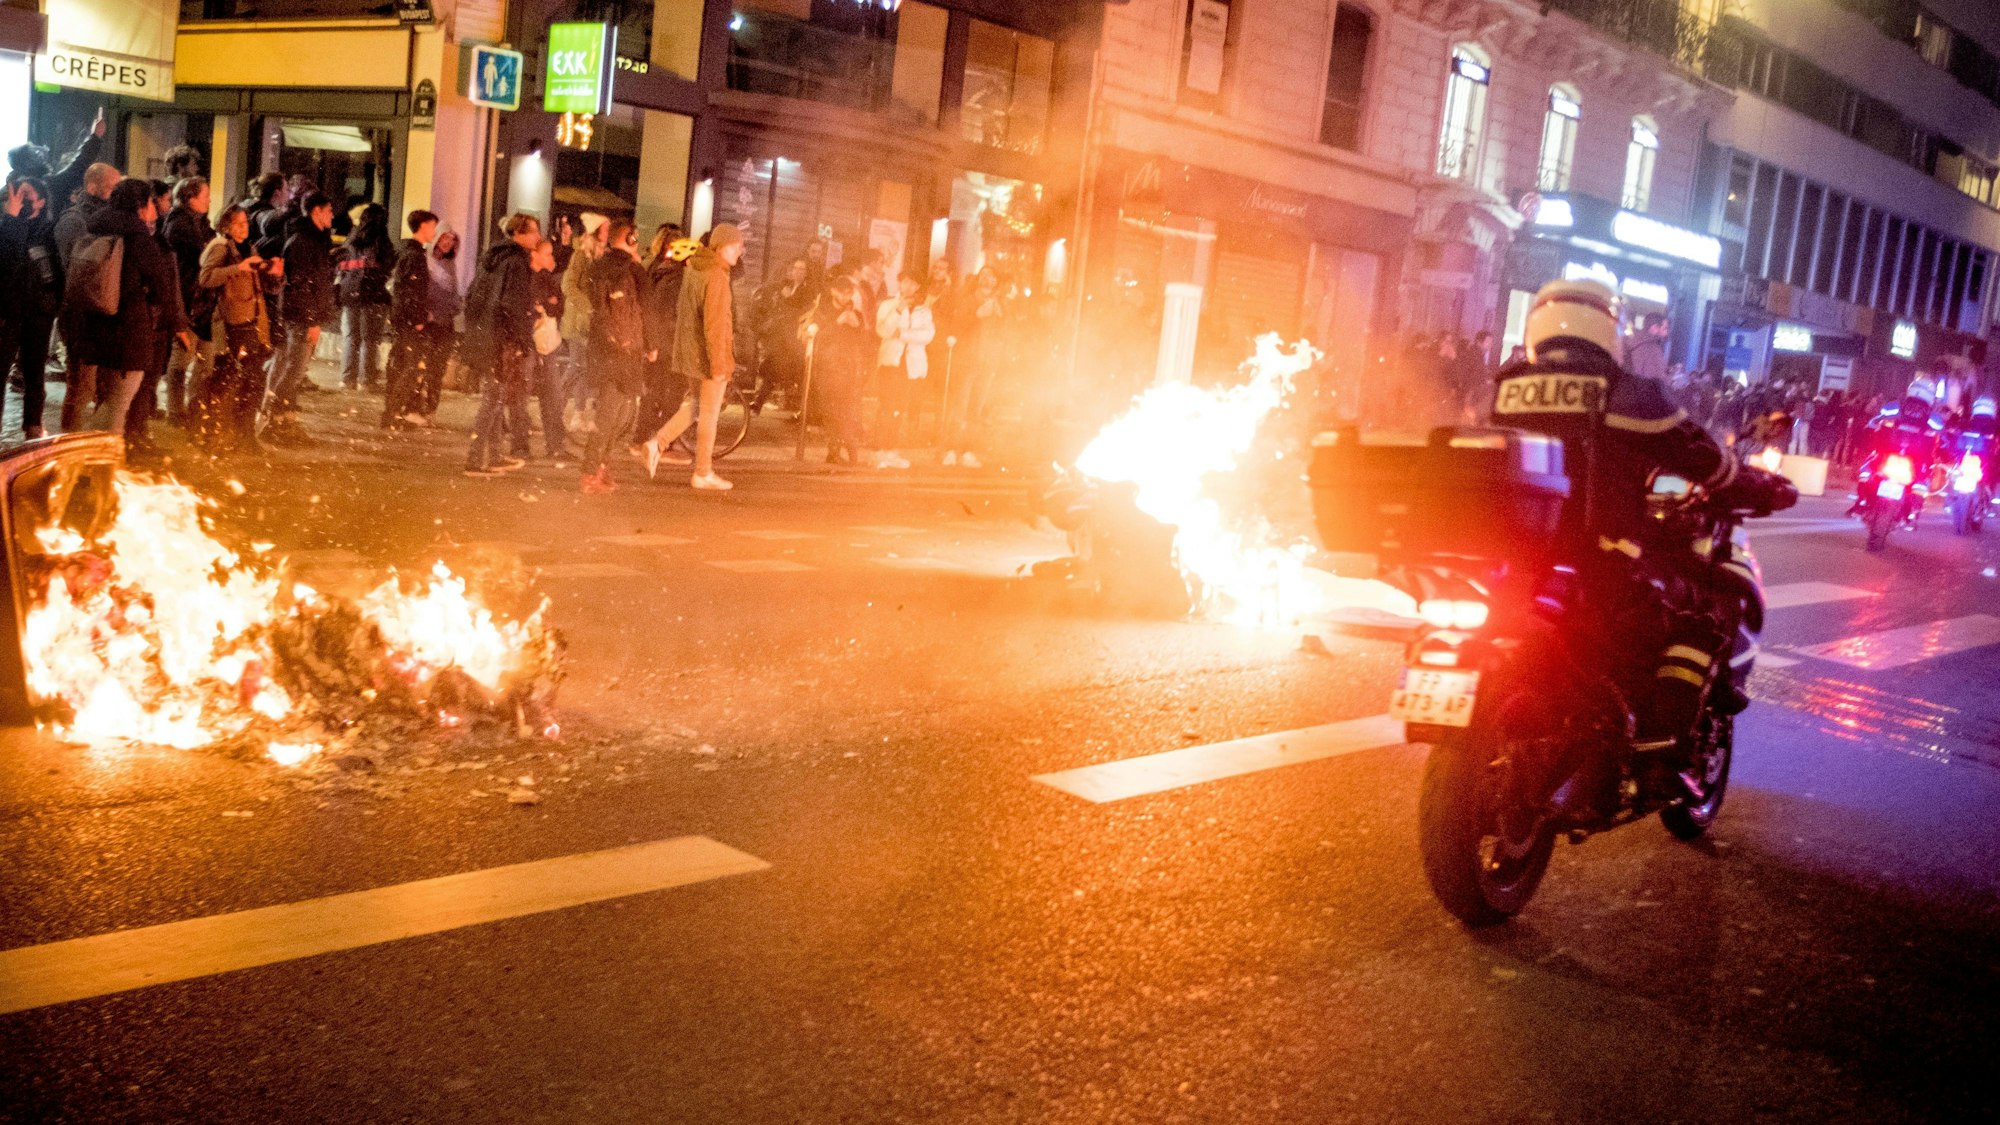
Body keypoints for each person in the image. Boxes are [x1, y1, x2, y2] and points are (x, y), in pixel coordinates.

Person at [1488, 279, 1758, 760]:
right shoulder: (1629, 394)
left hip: (1518, 555)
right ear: (1608, 330)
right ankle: (1661, 743)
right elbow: (1697, 453)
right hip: (1602, 558)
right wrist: (1752, 483)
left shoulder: (1506, 387)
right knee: (1699, 613)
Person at [70, 179, 191, 439]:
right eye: (151, 203)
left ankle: (100, 464)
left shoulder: (97, 227)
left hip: (96, 328)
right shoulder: (138, 239)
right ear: (141, 205)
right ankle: (84, 461)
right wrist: (175, 324)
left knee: (107, 400)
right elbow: (163, 286)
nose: (155, 210)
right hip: (129, 333)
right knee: (117, 407)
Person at [643, 221, 745, 491]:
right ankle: (703, 472)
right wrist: (720, 363)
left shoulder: (695, 269)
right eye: (736, 246)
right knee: (709, 415)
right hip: (709, 356)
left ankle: (658, 443)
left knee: (697, 407)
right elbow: (714, 325)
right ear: (722, 247)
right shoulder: (716, 276)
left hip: (690, 353)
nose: (739, 251)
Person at [578, 220, 656, 493]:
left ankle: (599, 467)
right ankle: (592, 471)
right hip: (628, 348)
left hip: (603, 347)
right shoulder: (634, 270)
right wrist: (652, 345)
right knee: (617, 414)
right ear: (631, 239)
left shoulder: (597, 267)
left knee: (613, 412)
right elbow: (647, 309)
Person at [461, 212, 539, 477]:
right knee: (493, 399)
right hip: (502, 341)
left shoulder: (492, 259)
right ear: (519, 233)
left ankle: (493, 456)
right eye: (534, 231)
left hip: (486, 336)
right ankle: (474, 460)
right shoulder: (517, 262)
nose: (538, 237)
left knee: (495, 397)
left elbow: (473, 296)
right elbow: (513, 305)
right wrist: (520, 340)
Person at [191, 204, 272, 454]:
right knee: (231, 380)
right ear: (225, 225)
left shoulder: (247, 248)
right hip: (231, 324)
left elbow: (258, 286)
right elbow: (206, 278)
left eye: (246, 224)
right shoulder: (220, 247)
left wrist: (274, 274)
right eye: (237, 224)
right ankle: (216, 433)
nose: (243, 228)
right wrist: (240, 267)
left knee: (249, 380)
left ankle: (237, 434)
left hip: (249, 322)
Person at [52, 162, 120, 433]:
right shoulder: (74, 221)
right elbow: (76, 272)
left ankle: (93, 450)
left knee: (104, 387)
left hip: (101, 316)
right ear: (93, 186)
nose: (116, 193)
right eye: (112, 187)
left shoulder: (105, 218)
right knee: (81, 388)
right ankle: (69, 449)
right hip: (80, 316)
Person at [264, 191, 336, 444]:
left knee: (294, 369)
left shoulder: (314, 240)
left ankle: (286, 419)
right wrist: (311, 320)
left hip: (305, 315)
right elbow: (301, 285)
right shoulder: (302, 242)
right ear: (316, 211)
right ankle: (276, 420)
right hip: (301, 317)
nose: (332, 215)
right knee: (293, 370)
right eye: (328, 210)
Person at [1, 175, 62, 438]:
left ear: (41, 202)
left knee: (35, 371)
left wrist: (54, 303)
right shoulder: (5, 226)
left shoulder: (49, 233)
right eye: (18, 195)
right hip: (7, 313)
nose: (22, 201)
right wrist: (12, 221)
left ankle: (33, 425)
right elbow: (5, 261)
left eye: (28, 197)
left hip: (38, 312)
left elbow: (58, 271)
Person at [161, 175, 217, 427]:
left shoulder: (199, 223)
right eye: (204, 196)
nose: (208, 200)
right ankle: (175, 411)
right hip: (188, 301)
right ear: (190, 198)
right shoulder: (180, 225)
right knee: (181, 361)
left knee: (205, 361)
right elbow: (205, 255)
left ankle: (194, 407)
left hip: (203, 303)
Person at [803, 272, 872, 465]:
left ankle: (847, 449)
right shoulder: (822, 311)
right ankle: (835, 451)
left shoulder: (855, 313)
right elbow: (818, 337)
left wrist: (858, 326)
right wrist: (837, 323)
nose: (846, 297)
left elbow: (863, 342)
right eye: (842, 293)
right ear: (834, 291)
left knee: (847, 411)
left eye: (849, 293)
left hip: (849, 369)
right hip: (828, 368)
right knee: (832, 412)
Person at [871, 271, 935, 469]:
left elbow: (928, 335)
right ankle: (880, 449)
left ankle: (891, 450)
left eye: (912, 283)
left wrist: (904, 334)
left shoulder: (924, 311)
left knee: (899, 408)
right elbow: (883, 330)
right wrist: (898, 311)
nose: (908, 286)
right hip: (891, 362)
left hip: (911, 366)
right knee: (887, 407)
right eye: (905, 281)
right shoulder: (889, 306)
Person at [382, 209, 440, 429]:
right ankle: (394, 412)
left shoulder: (409, 252)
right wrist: (417, 318)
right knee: (410, 366)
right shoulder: (413, 255)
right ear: (423, 226)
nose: (434, 231)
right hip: (408, 320)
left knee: (402, 365)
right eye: (432, 226)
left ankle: (394, 412)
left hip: (402, 318)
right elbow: (410, 291)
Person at [637, 223, 692, 452]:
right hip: (669, 342)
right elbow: (666, 310)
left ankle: (643, 435)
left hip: (657, 340)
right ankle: (660, 439)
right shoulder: (674, 275)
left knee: (656, 389)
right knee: (671, 390)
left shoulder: (655, 268)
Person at [942, 267, 1003, 467]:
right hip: (968, 360)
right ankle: (951, 449)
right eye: (984, 275)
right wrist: (977, 315)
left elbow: (1005, 332)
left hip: (987, 362)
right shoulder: (969, 301)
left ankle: (968, 451)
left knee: (976, 409)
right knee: (960, 407)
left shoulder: (999, 304)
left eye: (991, 275)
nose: (988, 278)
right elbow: (957, 325)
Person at [333, 202, 394, 392]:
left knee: (351, 337)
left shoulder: (351, 241)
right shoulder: (382, 243)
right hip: (373, 295)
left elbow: (340, 267)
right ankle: (366, 380)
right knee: (370, 339)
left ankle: (347, 379)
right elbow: (388, 267)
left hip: (350, 294)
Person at [8, 107, 105, 222]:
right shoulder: (46, 186)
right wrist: (95, 137)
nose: (43, 151)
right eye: (36, 153)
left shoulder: (11, 193)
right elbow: (77, 167)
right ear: (30, 163)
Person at [752, 258, 814, 414]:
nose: (798, 272)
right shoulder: (784, 286)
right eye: (796, 268)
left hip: (794, 340)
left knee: (795, 373)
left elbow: (801, 311)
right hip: (780, 338)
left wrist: (789, 298)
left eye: (802, 269)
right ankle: (758, 403)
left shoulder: (807, 290)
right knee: (774, 368)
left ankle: (804, 409)